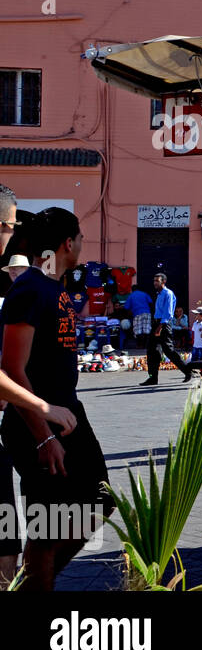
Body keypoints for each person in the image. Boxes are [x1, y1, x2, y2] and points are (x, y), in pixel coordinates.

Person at [0, 207, 112, 590]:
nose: (82, 244)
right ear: (68, 242)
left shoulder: (54, 287)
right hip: (38, 423)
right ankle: (35, 581)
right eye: (80, 238)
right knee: (46, 529)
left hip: (68, 414)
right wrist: (43, 435)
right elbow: (12, 369)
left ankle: (32, 580)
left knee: (100, 499)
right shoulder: (30, 287)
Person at [141, 272, 191, 385]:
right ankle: (152, 377)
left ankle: (187, 371)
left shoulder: (168, 293)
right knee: (152, 351)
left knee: (169, 350)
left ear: (163, 282)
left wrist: (160, 327)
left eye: (157, 281)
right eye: (154, 281)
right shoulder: (159, 294)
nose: (155, 283)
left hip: (163, 324)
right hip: (157, 323)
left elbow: (168, 313)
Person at [123, 281, 152, 350]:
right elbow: (151, 302)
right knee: (146, 330)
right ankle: (146, 345)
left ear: (132, 290)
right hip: (147, 313)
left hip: (137, 314)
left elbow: (126, 307)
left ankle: (139, 345)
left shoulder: (131, 296)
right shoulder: (144, 294)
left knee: (138, 331)